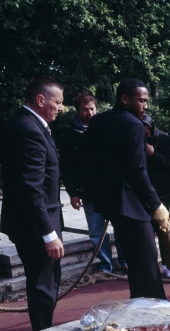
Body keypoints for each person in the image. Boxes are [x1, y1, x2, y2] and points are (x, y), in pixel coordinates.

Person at [82, 78, 168, 299]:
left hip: (111, 202)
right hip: (132, 204)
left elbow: (89, 161)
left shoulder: (98, 121)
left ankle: (141, 307)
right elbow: (137, 171)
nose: (145, 106)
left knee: (135, 263)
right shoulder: (133, 125)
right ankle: (156, 312)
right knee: (147, 263)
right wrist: (157, 204)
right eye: (141, 101)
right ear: (125, 99)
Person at [0, 77, 65, 331]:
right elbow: (31, 187)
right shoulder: (28, 129)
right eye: (58, 102)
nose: (61, 107)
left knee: (44, 281)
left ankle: (42, 329)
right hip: (35, 225)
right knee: (43, 283)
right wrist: (48, 234)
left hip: (30, 221)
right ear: (41, 100)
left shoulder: (24, 122)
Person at [60, 91, 128, 273]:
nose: (89, 113)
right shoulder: (71, 136)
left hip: (112, 189)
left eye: (92, 109)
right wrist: (73, 192)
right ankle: (106, 266)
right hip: (89, 190)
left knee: (121, 226)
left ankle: (126, 261)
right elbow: (67, 166)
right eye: (85, 110)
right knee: (97, 231)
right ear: (78, 111)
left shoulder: (108, 128)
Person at [141, 114, 170, 278]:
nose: (145, 132)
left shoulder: (163, 139)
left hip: (162, 192)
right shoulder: (133, 138)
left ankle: (167, 263)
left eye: (147, 129)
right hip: (141, 192)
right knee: (146, 232)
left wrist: (153, 153)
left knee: (164, 230)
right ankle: (150, 266)